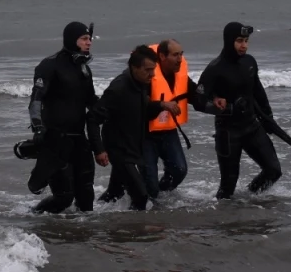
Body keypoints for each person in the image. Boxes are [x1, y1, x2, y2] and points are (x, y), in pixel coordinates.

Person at [194, 22, 291, 199]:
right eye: (239, 41)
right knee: (227, 188)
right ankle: (224, 220)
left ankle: (248, 201)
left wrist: (269, 118)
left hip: (252, 127)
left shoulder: (249, 62)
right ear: (228, 41)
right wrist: (224, 108)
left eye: (246, 41)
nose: (244, 45)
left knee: (274, 171)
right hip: (228, 132)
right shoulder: (215, 69)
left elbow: (258, 91)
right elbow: (198, 101)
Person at [25, 21, 103, 213]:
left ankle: (81, 237)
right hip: (56, 141)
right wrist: (38, 126)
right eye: (84, 39)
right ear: (71, 40)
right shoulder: (49, 65)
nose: (89, 42)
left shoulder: (84, 68)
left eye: (89, 38)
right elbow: (36, 99)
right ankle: (34, 216)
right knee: (64, 197)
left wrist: (111, 111)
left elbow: (91, 100)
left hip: (79, 139)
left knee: (86, 198)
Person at [95, 45, 181, 211]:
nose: (153, 74)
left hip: (132, 146)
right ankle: (135, 233)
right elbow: (93, 118)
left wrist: (161, 105)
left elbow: (143, 109)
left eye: (153, 69)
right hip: (118, 149)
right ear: (134, 68)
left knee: (115, 192)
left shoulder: (140, 82)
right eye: (148, 70)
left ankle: (90, 216)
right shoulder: (118, 88)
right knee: (141, 197)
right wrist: (99, 150)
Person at [145, 39, 194, 198]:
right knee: (149, 184)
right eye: (175, 55)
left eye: (181, 54)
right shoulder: (147, 74)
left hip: (167, 130)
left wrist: (214, 99)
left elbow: (196, 95)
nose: (180, 59)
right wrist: (161, 105)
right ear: (162, 56)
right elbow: (139, 107)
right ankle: (143, 200)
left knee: (179, 170)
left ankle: (159, 199)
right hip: (145, 133)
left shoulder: (180, 73)